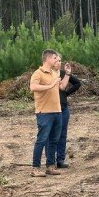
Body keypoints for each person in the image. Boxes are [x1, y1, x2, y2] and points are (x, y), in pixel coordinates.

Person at [29, 49, 71, 177]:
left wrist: (68, 74)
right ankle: (35, 168)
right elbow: (33, 87)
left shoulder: (54, 73)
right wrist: (50, 85)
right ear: (47, 59)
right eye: (54, 58)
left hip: (57, 111)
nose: (57, 60)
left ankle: (50, 166)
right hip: (44, 113)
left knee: (54, 140)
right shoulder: (38, 73)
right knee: (41, 140)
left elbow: (62, 87)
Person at [54, 60, 81, 168]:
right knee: (51, 135)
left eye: (60, 60)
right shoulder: (47, 75)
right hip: (52, 108)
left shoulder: (63, 73)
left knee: (62, 134)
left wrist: (65, 94)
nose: (59, 62)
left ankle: (60, 160)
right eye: (56, 60)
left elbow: (77, 83)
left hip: (63, 107)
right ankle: (50, 160)